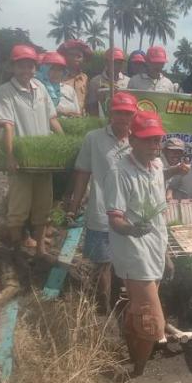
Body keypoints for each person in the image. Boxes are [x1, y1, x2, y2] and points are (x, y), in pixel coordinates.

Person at [105, 110, 168, 375]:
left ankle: (130, 348)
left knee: (139, 308)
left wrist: (168, 251)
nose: (155, 145)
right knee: (153, 323)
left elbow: (161, 212)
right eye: (148, 140)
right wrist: (131, 230)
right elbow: (115, 219)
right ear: (133, 141)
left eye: (158, 140)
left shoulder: (158, 167)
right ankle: (138, 369)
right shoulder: (120, 172)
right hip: (134, 252)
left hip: (155, 248)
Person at [67, 92, 136, 312]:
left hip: (131, 214)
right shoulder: (94, 138)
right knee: (102, 264)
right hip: (101, 211)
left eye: (128, 113)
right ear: (110, 113)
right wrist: (74, 204)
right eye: (118, 113)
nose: (123, 118)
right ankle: (104, 309)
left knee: (128, 262)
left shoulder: (140, 140)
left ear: (134, 115)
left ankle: (124, 306)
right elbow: (83, 172)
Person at [0, 44, 64, 260]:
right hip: (22, 162)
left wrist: (64, 142)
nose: (27, 70)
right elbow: (8, 125)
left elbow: (52, 119)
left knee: (43, 207)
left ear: (36, 68)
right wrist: (10, 156)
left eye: (30, 66)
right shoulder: (6, 91)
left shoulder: (40, 88)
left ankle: (40, 250)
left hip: (43, 161)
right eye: (22, 65)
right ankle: (17, 250)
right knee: (18, 209)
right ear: (13, 67)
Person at [35, 51, 81, 117]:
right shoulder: (38, 89)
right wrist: (64, 113)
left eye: (59, 70)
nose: (56, 73)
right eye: (52, 69)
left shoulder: (69, 89)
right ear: (45, 70)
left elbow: (78, 113)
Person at [86, 47, 130, 116]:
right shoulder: (95, 82)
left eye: (120, 63)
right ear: (106, 62)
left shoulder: (128, 81)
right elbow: (91, 105)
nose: (118, 66)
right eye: (114, 62)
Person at [57, 39, 92, 115]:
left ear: (83, 59)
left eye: (79, 56)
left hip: (81, 120)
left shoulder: (85, 78)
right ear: (65, 57)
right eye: (71, 55)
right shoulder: (58, 76)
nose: (75, 58)